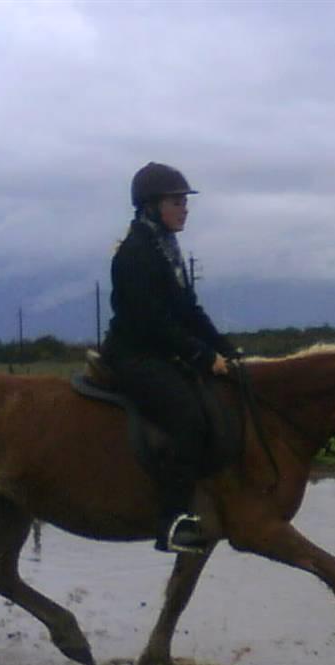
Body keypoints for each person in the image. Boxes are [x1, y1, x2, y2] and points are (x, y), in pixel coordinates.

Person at [100, 162, 237, 554]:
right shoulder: (136, 253)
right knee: (187, 418)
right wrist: (200, 354)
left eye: (184, 202)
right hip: (134, 356)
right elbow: (151, 321)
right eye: (176, 202)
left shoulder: (167, 248)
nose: (184, 209)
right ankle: (172, 520)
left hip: (159, 353)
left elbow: (189, 311)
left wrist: (227, 351)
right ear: (151, 205)